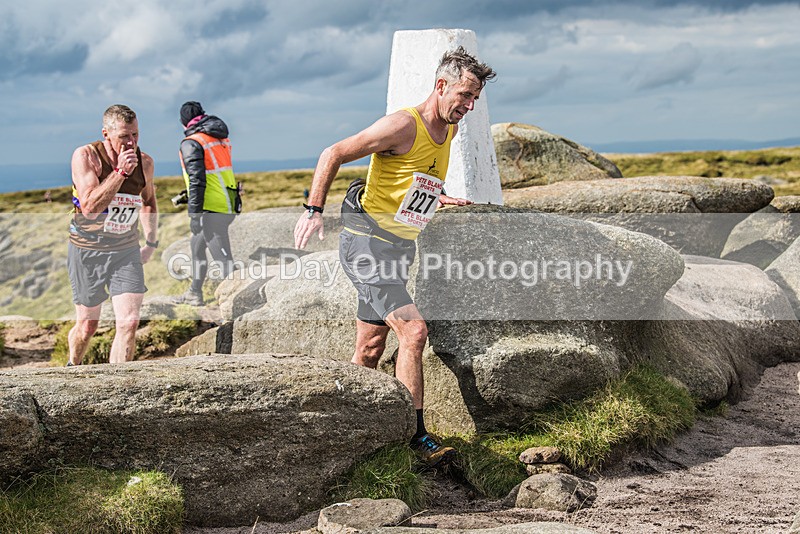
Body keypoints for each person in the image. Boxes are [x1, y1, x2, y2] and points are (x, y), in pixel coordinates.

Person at [294, 46, 496, 465]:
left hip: (399, 247)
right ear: (440, 86)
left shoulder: (450, 130)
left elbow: (414, 176)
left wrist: (437, 195)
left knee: (369, 347)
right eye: (463, 95)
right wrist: (313, 211)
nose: (468, 106)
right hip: (366, 244)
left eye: (474, 98)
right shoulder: (403, 124)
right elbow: (332, 152)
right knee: (414, 332)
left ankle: (347, 427)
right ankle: (416, 436)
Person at [67, 104, 158, 365]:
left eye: (135, 135)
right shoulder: (86, 156)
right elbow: (90, 208)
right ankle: (72, 365)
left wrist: (151, 242)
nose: (131, 143)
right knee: (87, 326)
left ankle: (118, 388)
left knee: (129, 322)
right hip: (88, 248)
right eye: (124, 137)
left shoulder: (146, 162)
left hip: (125, 249)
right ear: (106, 134)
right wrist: (119, 173)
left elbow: (149, 200)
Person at [173, 101, 239, 306]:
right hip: (227, 199)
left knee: (223, 259)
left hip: (211, 207)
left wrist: (194, 214)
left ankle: (240, 299)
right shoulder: (218, 137)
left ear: (183, 123)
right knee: (196, 246)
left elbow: (197, 179)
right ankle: (194, 292)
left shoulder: (192, 142)